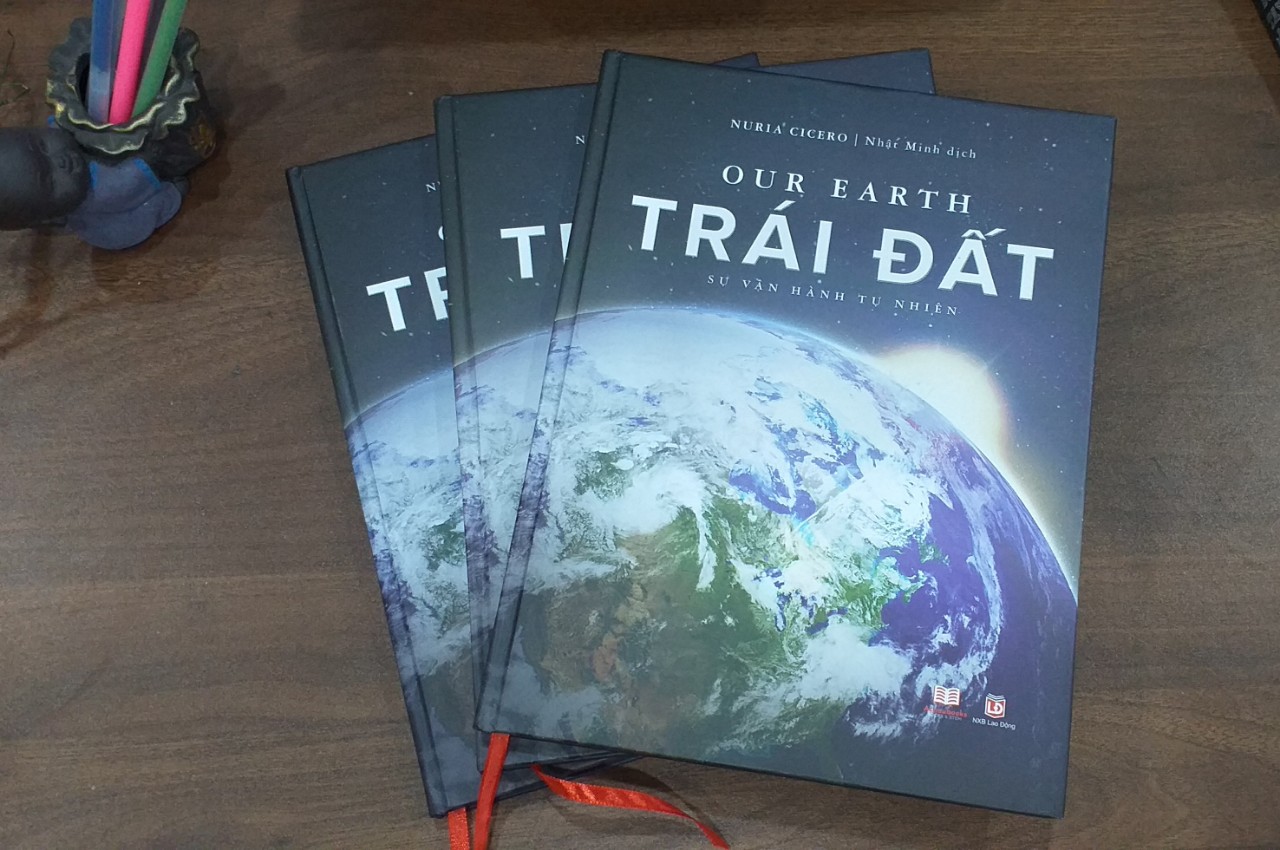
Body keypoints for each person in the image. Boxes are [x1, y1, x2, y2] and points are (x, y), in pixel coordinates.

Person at [0, 126, 183, 250]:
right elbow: (125, 184)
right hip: (126, 213)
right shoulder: (97, 192)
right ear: (54, 218)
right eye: (51, 182)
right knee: (153, 205)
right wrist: (146, 160)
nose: (60, 162)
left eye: (42, 145)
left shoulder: (64, 142)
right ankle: (173, 193)